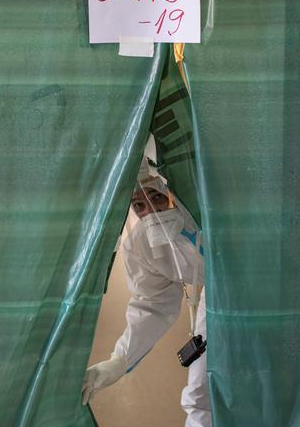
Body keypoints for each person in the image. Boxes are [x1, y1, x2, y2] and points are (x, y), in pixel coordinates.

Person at [81, 157, 210, 427]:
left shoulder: (206, 213)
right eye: (138, 205)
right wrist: (120, 360)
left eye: (156, 196)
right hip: (216, 298)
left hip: (262, 283)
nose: (150, 212)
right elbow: (152, 304)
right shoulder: (140, 245)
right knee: (200, 393)